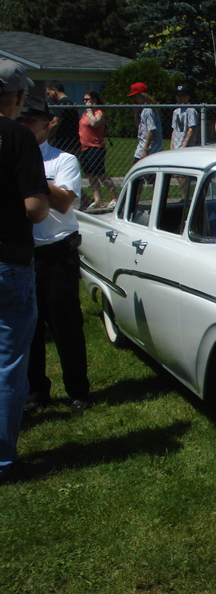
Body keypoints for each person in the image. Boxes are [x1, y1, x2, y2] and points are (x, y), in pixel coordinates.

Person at [18, 95, 92, 415]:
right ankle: (36, 392)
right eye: (19, 120)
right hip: (22, 253)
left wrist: (32, 173)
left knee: (66, 326)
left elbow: (63, 203)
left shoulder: (63, 161)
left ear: (48, 123)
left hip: (57, 253)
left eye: (31, 120)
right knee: (29, 330)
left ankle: (78, 390)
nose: (25, 126)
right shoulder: (11, 158)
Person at [0, 61, 51, 485]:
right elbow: (36, 209)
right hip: (8, 259)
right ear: (18, 98)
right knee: (8, 362)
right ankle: (3, 460)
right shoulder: (17, 137)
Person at [79, 91, 117, 210]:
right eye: (84, 100)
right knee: (90, 175)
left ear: (94, 100)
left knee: (100, 174)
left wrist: (90, 110)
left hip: (96, 147)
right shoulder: (84, 114)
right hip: (85, 148)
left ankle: (115, 197)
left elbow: (94, 123)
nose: (85, 102)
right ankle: (98, 199)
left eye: (88, 99)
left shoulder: (99, 113)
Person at [127, 82, 162, 162]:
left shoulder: (148, 110)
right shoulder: (143, 110)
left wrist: (145, 150)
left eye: (135, 96)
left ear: (142, 95)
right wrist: (136, 114)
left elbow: (151, 130)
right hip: (141, 148)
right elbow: (139, 128)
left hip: (150, 150)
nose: (134, 99)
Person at [45, 80, 80, 154]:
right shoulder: (69, 102)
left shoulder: (62, 103)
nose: (48, 97)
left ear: (54, 90)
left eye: (48, 93)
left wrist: (46, 137)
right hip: (72, 143)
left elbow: (55, 122)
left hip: (65, 145)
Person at [171, 85, 197, 149]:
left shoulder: (191, 110)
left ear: (188, 97)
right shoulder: (176, 111)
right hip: (176, 145)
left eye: (182, 95)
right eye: (178, 95)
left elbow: (191, 130)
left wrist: (184, 146)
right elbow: (174, 130)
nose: (180, 97)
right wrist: (171, 145)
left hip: (187, 147)